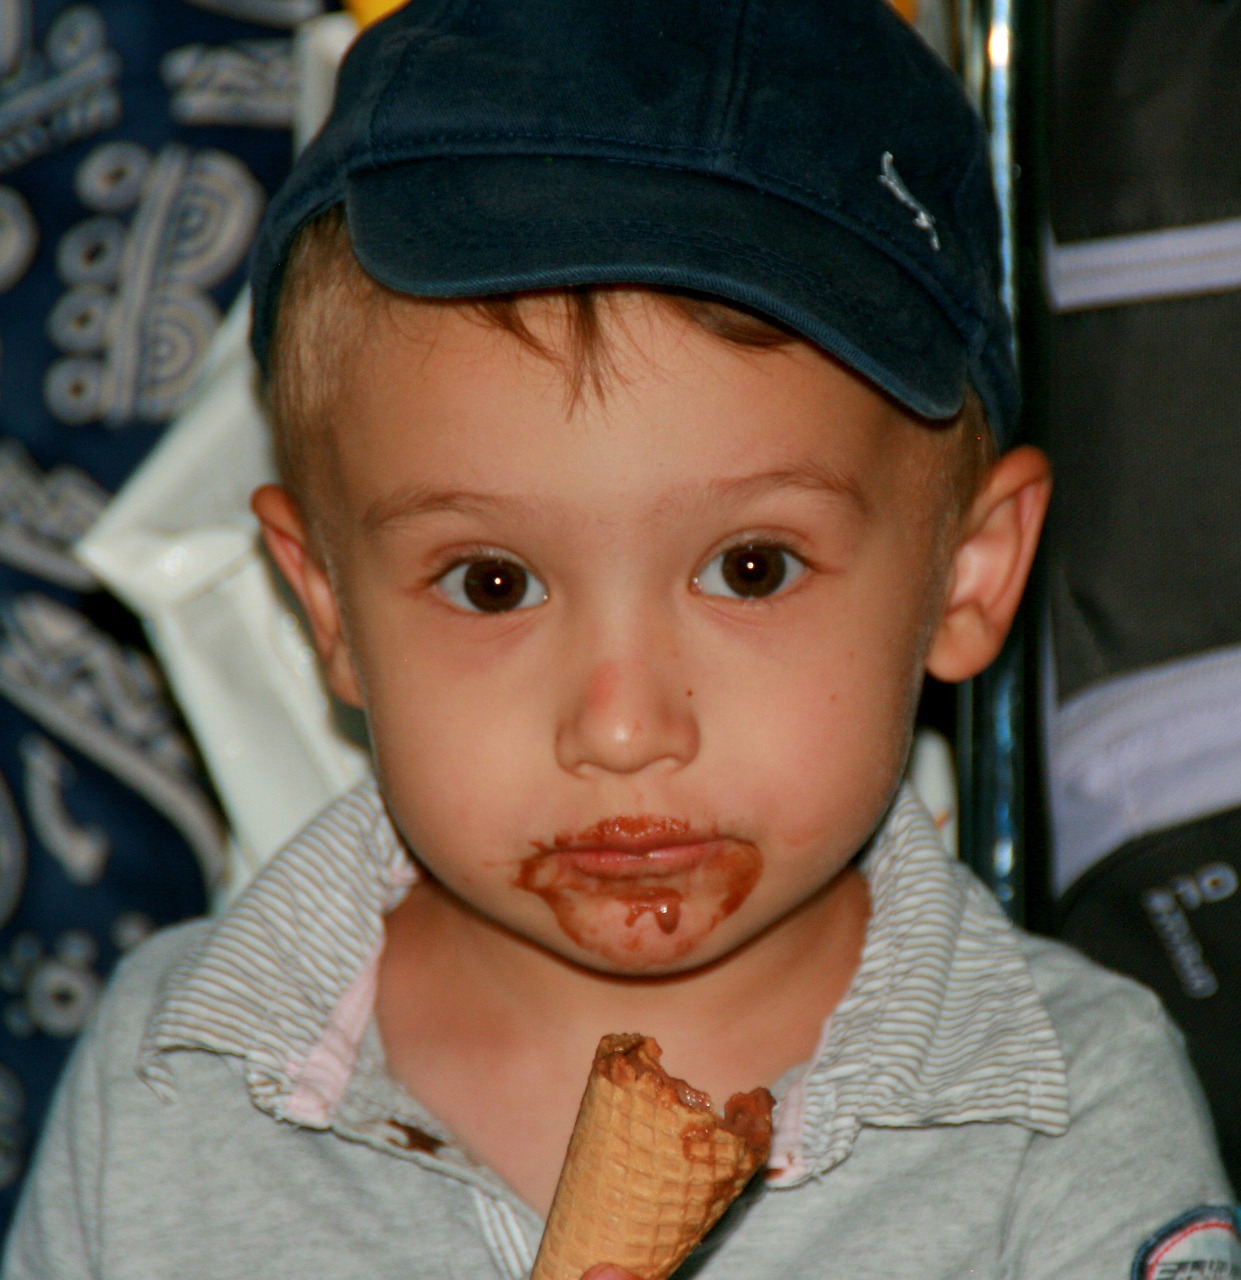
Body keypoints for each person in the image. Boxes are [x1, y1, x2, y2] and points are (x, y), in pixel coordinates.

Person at [5, 1, 1236, 1277]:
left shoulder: (1066, 1108)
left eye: (749, 569)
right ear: (327, 607)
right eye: (490, 582)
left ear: (964, 576)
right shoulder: (168, 1075)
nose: (623, 722)